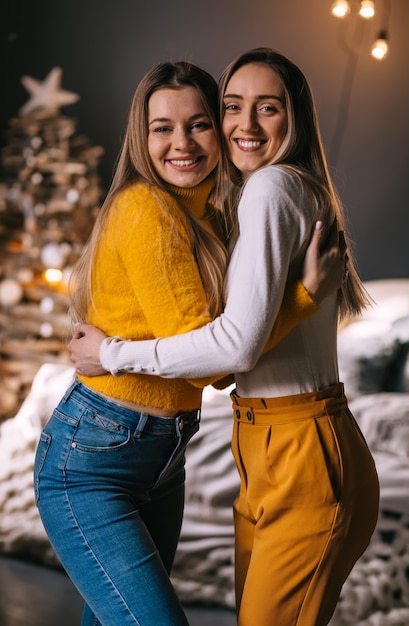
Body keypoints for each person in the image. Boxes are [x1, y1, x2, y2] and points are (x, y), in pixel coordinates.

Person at [69, 48, 379, 626]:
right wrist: (302, 296)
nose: (246, 124)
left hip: (296, 449)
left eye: (268, 108)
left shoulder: (268, 190)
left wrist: (108, 353)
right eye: (233, 107)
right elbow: (240, 343)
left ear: (296, 118)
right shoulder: (276, 193)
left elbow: (231, 348)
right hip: (273, 443)